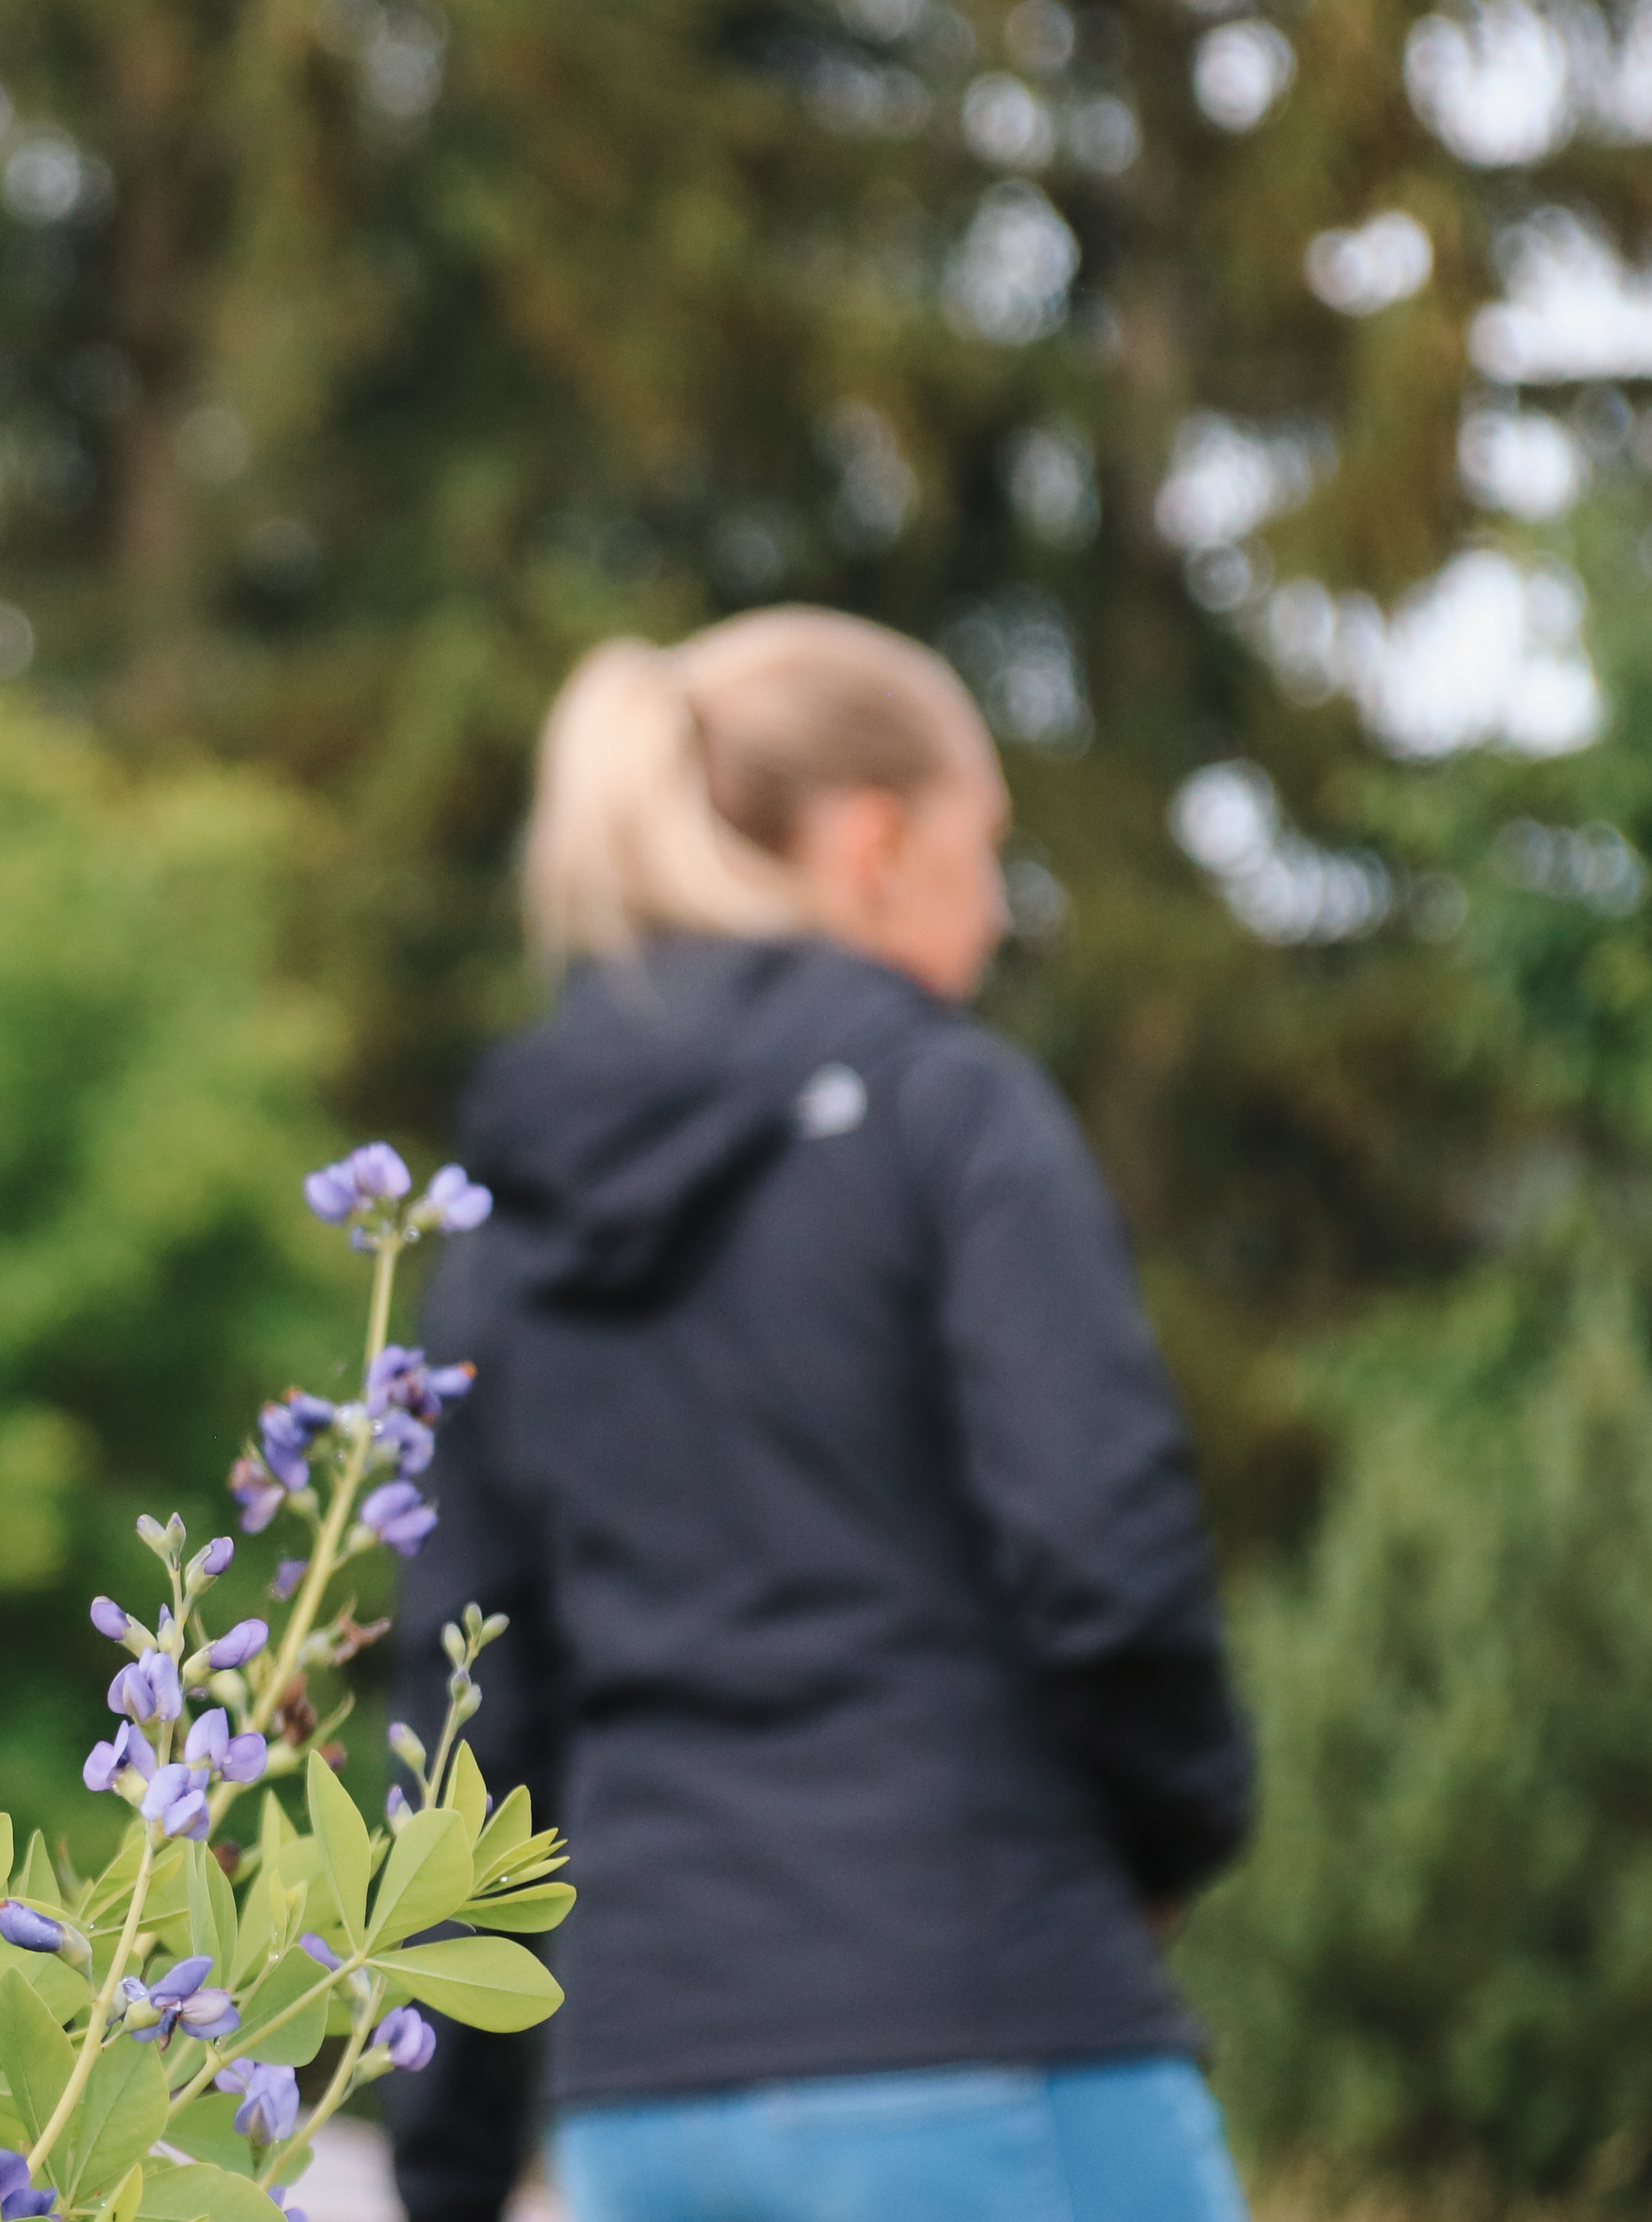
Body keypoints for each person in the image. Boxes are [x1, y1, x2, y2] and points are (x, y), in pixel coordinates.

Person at [385, 609, 1256, 2222]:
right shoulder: (949, 1109)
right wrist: (1176, 1837)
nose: (997, 907)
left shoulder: (510, 1217)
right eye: (989, 849)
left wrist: (445, 2167)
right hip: (978, 2028)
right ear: (876, 844)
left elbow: (463, 1719)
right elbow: (1101, 1544)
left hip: (647, 2102)